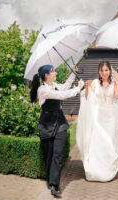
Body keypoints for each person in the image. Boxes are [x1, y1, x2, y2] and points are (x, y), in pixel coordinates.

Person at [30, 65, 84, 197]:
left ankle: (55, 184)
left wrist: (73, 73)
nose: (55, 72)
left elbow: (64, 87)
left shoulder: (54, 84)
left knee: (58, 154)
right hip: (47, 124)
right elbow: (62, 95)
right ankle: (50, 179)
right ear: (46, 75)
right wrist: (79, 88)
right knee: (48, 155)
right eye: (53, 71)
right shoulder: (42, 90)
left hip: (59, 122)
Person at [76, 61, 118, 182]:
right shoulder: (94, 83)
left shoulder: (115, 83)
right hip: (97, 117)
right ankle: (95, 170)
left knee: (109, 143)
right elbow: (87, 98)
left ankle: (107, 169)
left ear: (110, 71)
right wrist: (86, 87)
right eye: (102, 70)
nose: (104, 73)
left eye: (106, 70)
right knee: (97, 142)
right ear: (99, 71)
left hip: (110, 117)